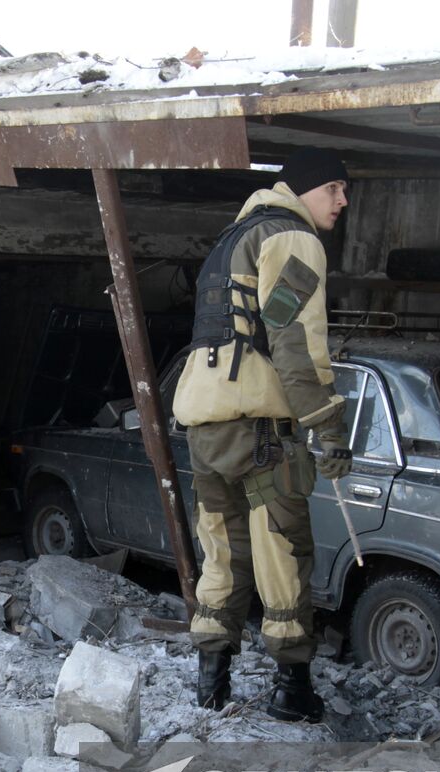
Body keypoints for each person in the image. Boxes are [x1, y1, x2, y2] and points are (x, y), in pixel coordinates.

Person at [172, 146, 353, 723]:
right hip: (263, 430)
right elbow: (294, 339)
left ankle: (211, 683)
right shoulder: (291, 239)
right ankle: (292, 692)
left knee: (222, 552)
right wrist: (327, 426)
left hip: (206, 426)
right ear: (302, 190)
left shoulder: (230, 241)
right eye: (334, 188)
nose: (342, 201)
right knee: (283, 551)